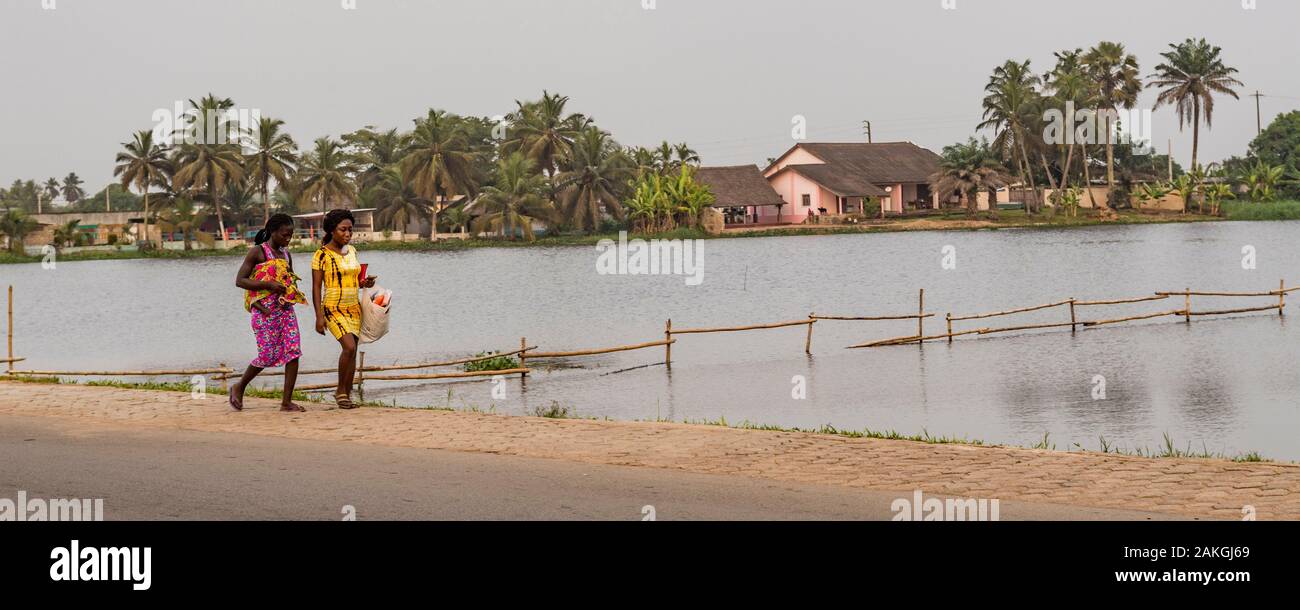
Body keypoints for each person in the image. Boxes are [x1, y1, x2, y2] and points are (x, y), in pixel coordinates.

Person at [231, 214, 307, 412]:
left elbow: (289, 281)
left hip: (285, 310)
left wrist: (289, 296)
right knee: (267, 355)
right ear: (273, 232)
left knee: (293, 352)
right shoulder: (257, 252)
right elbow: (240, 280)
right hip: (264, 312)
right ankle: (239, 386)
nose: (288, 239)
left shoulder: (286, 254)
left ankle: (286, 402)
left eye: (291, 235)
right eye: (284, 235)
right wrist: (268, 285)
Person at [311, 209, 377, 409]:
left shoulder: (353, 251)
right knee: (348, 347)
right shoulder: (321, 255)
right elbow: (316, 287)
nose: (348, 234)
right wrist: (319, 317)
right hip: (333, 307)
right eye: (343, 230)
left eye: (350, 230)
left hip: (354, 307)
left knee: (353, 350)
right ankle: (340, 391)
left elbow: (355, 281)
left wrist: (365, 283)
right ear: (332, 230)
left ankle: (346, 394)